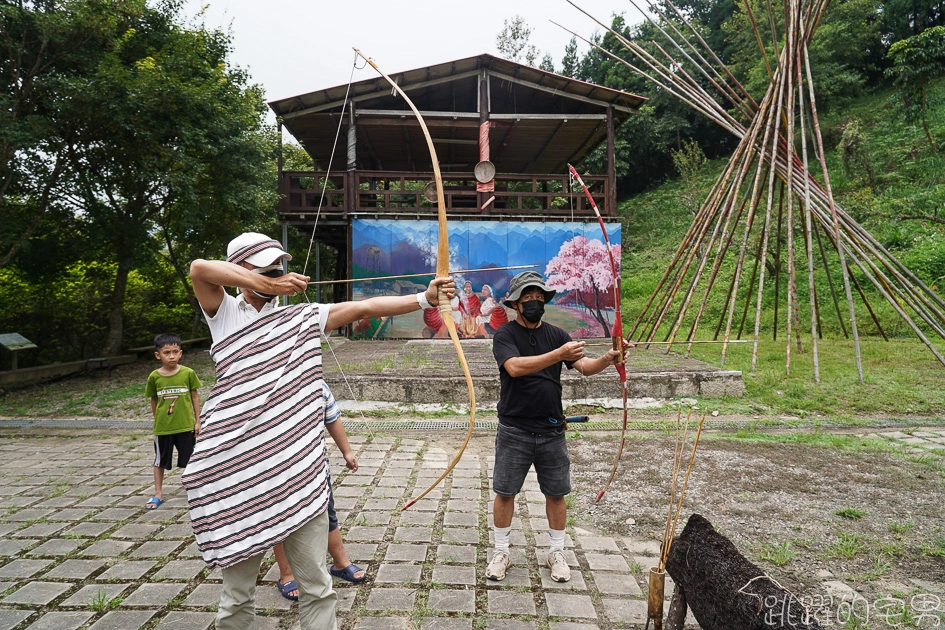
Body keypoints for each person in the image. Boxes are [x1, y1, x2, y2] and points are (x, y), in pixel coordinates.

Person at [183, 232, 454, 630]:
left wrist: (424, 299)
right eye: (265, 267)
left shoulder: (300, 317)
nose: (277, 273)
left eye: (279, 267)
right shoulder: (225, 314)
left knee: (318, 587)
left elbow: (364, 305)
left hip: (297, 473)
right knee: (237, 598)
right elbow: (199, 270)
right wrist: (264, 284)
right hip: (237, 475)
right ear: (242, 271)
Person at [486, 271, 621, 583]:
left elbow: (585, 367)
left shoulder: (557, 334)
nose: (534, 302)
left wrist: (608, 359)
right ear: (515, 304)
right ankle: (502, 551)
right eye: (527, 298)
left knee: (556, 493)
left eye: (538, 297)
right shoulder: (505, 335)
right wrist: (559, 355)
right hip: (514, 429)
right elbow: (515, 368)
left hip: (552, 430)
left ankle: (556, 552)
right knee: (505, 492)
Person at [275, 384, 366, 602]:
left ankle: (340, 562)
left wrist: (347, 451)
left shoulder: (317, 385)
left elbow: (332, 418)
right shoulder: (268, 383)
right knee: (279, 522)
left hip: (316, 471)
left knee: (327, 516)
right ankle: (287, 574)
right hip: (276, 475)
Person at [144, 333, 202, 510]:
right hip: (163, 429)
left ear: (181, 353)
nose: (171, 356)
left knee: (191, 459)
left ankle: (196, 492)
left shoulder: (188, 373)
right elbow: (154, 400)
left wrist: (197, 421)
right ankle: (158, 493)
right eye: (167, 352)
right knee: (160, 461)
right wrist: (158, 421)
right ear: (158, 355)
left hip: (186, 426)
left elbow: (194, 397)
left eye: (175, 352)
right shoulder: (154, 377)